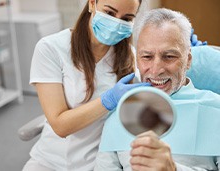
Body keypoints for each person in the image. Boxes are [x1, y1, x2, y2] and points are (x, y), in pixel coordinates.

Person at [22, 0, 151, 170]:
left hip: (99, 164)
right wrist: (108, 100)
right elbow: (60, 126)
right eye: (110, 13)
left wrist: (185, 55)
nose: (115, 23)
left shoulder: (130, 58)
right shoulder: (51, 48)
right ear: (92, 3)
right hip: (50, 162)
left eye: (126, 19)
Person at [94, 8, 220, 171]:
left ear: (188, 60)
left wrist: (173, 169)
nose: (156, 70)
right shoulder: (119, 115)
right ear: (137, 59)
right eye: (147, 57)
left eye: (169, 56)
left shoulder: (216, 111)